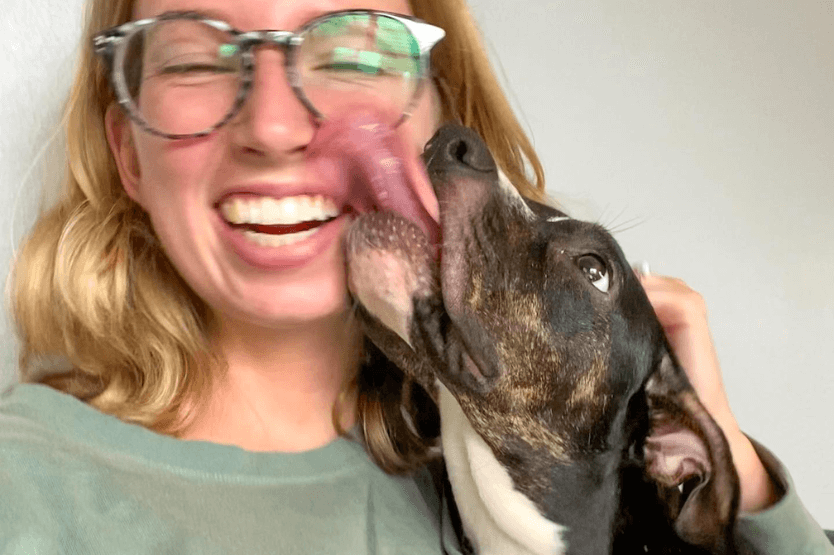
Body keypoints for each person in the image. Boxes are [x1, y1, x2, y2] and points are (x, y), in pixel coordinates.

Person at [1, 0, 831, 552]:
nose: (275, 126)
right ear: (127, 156)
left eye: (353, 53)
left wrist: (734, 475)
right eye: (192, 60)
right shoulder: (25, 487)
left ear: (439, 120)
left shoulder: (496, 481)